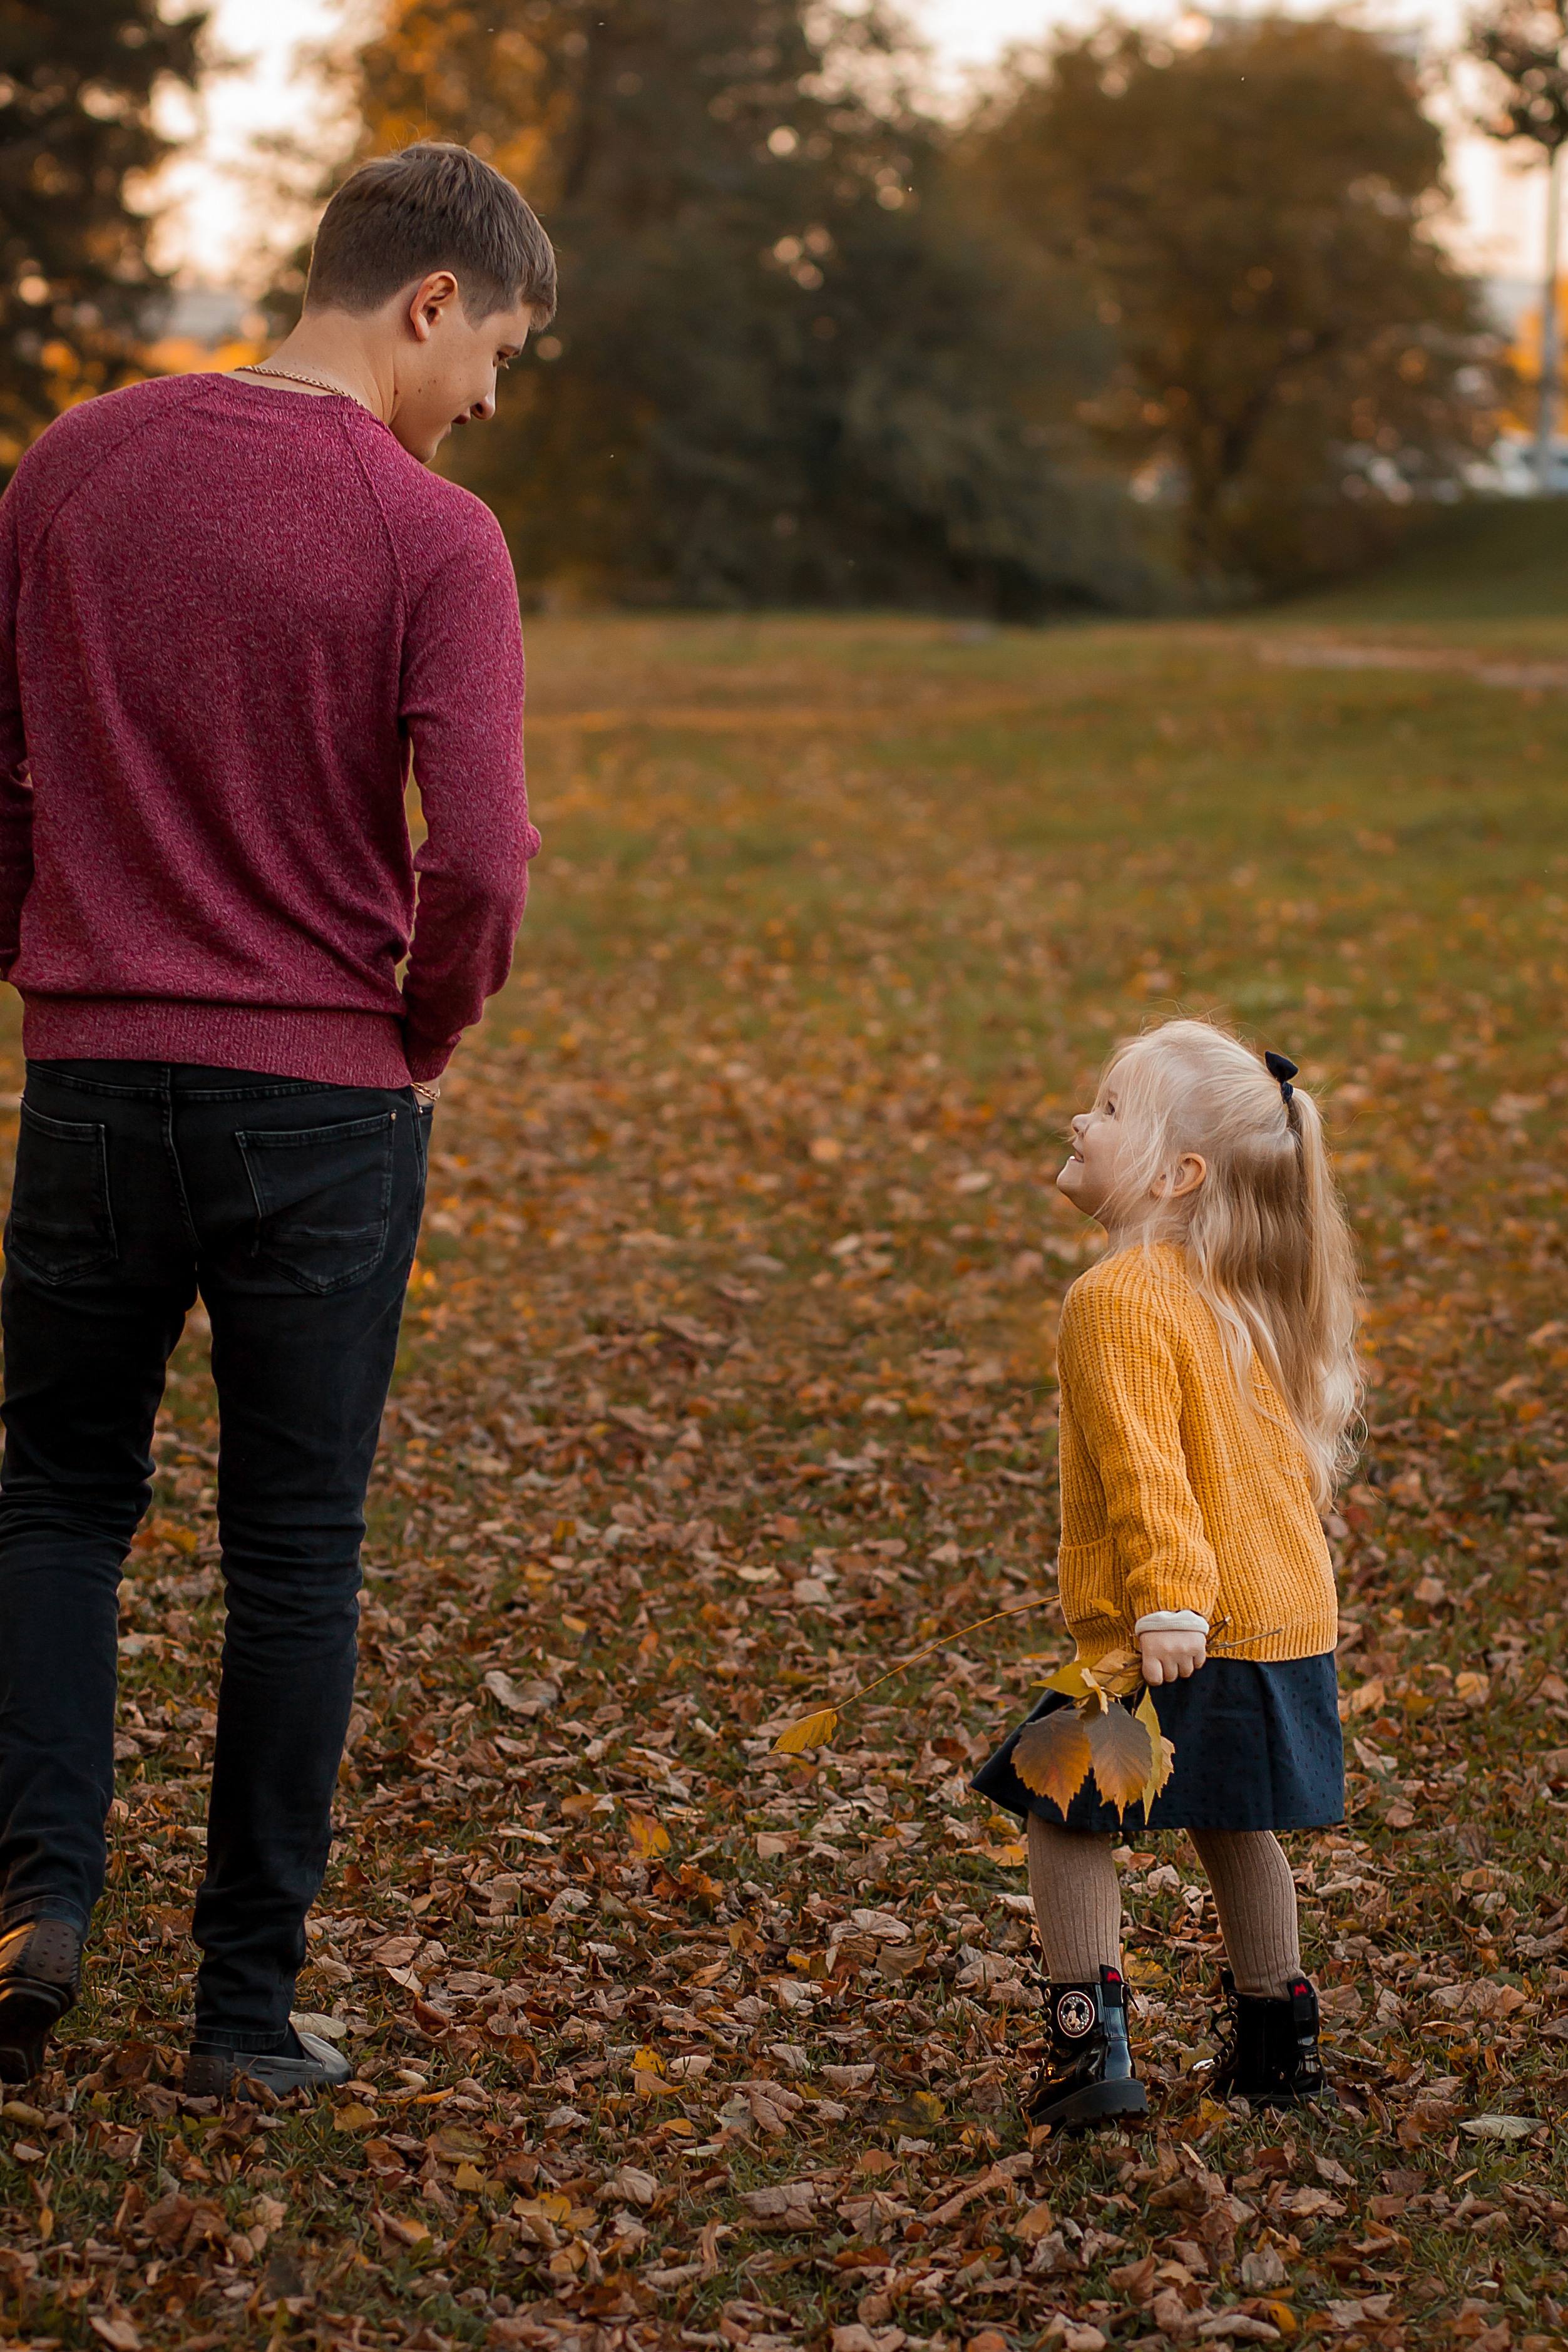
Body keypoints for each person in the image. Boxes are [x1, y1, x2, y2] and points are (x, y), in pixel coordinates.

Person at [0, 143, 554, 2095]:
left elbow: (3, 769)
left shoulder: (69, 465)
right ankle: (243, 2014)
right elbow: (479, 859)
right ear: (426, 301)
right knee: (293, 1552)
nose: (487, 399)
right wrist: (415, 1031)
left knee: (58, 1502)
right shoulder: (428, 536)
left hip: (86, 1078)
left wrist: (53, 962)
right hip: (320, 1100)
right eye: (494, 349)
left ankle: (33, 1898)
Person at [973, 1019, 1359, 2127]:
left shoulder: (1118, 1300)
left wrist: (1167, 1602)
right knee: (1232, 1819)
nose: (1076, 1119)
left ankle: (1088, 2057)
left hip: (1181, 1616)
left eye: (1105, 1107)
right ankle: (1279, 2049)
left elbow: (1149, 1471)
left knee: (1058, 1808)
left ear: (1178, 1171)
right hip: (1277, 1612)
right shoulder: (1238, 1284)